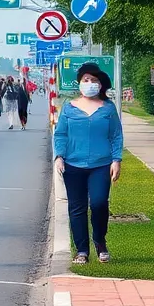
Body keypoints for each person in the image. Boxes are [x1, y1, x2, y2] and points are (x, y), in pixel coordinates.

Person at [53, 63, 123, 265]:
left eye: (94, 80)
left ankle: (100, 241)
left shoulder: (108, 109)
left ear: (100, 84)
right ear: (79, 83)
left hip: (101, 164)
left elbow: (116, 135)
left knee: (100, 203)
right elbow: (61, 135)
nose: (90, 83)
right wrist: (59, 156)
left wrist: (116, 160)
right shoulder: (69, 108)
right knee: (77, 208)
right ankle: (82, 250)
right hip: (73, 165)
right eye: (86, 80)